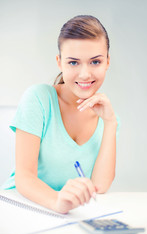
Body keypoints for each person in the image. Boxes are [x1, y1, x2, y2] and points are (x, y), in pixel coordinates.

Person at [1, 15, 120, 214]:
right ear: (59, 62)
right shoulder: (38, 99)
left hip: (65, 214)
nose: (85, 74)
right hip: (19, 207)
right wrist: (57, 202)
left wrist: (111, 122)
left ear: (107, 61)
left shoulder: (106, 116)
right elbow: (24, 177)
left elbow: (100, 186)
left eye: (95, 62)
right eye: (73, 63)